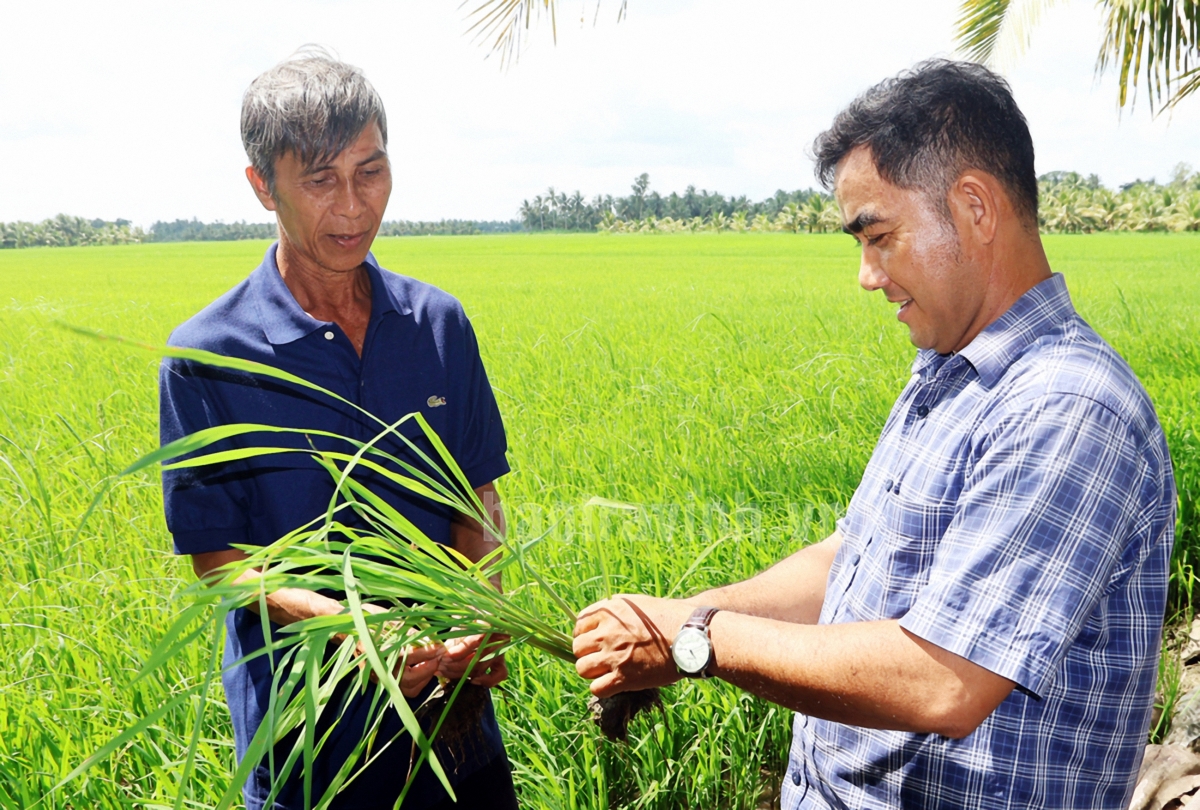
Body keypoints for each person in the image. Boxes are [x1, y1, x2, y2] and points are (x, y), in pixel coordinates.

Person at [572, 59, 1176, 809]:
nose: (866, 275)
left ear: (974, 208)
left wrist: (695, 640)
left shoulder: (1069, 407)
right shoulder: (947, 371)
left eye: (879, 236)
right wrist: (677, 620)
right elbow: (851, 559)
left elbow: (942, 680)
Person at [159, 49, 518, 809]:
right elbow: (219, 561)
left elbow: (476, 498)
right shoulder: (209, 357)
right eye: (320, 180)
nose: (353, 208)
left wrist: (483, 610)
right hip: (310, 751)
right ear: (263, 187)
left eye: (371, 172)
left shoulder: (436, 324)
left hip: (456, 732)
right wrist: (351, 626)